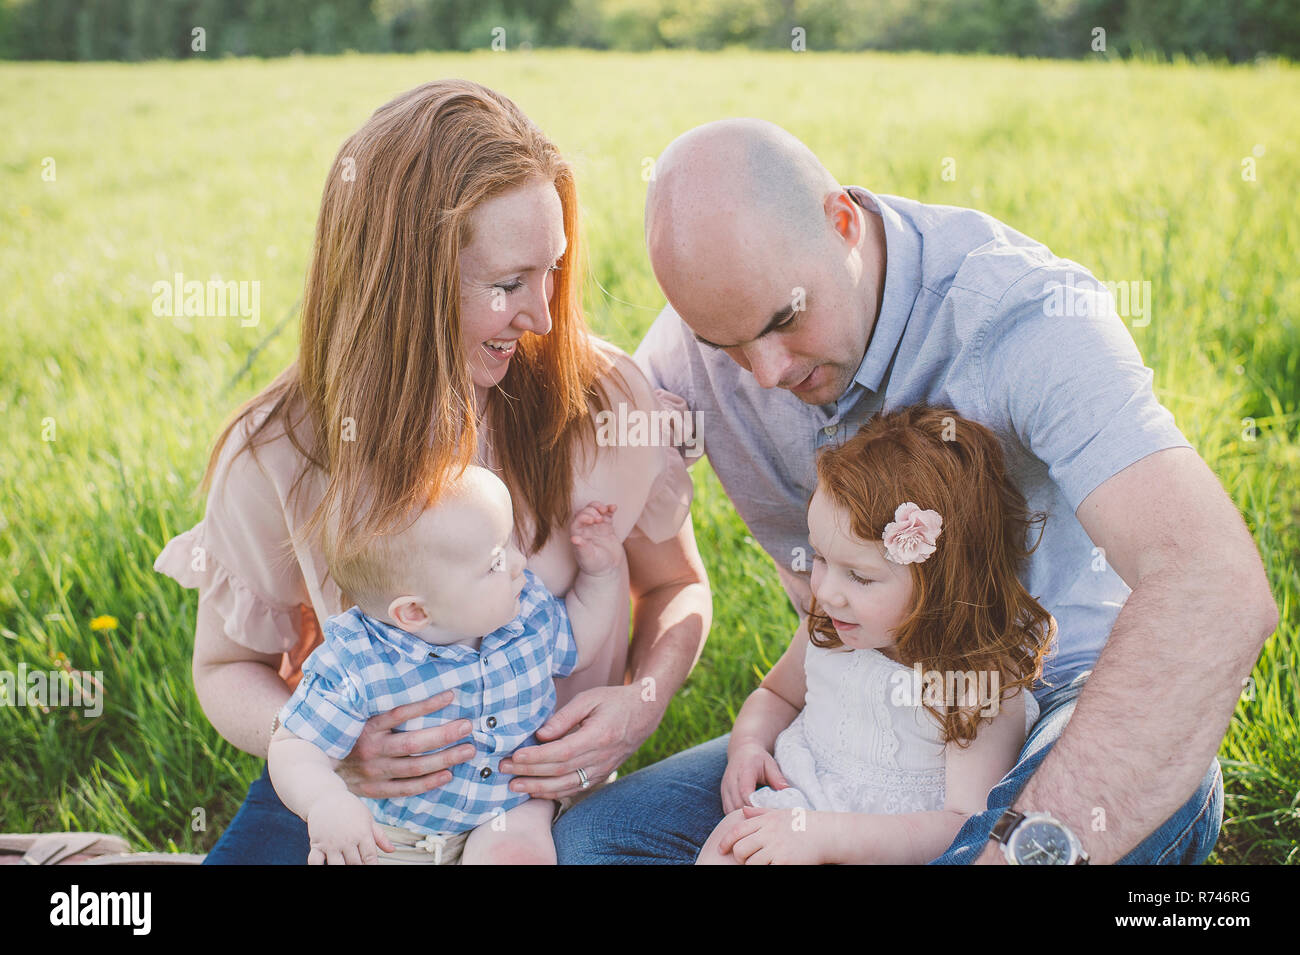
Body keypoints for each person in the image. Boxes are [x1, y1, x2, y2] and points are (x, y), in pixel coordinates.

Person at [555, 117, 1278, 864]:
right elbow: (586, 515)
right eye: (727, 346)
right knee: (596, 841)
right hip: (852, 722)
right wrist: (638, 697)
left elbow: (1213, 585)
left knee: (1060, 825)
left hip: (1062, 703)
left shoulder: (1024, 318)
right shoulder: (699, 344)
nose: (764, 373)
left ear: (842, 223)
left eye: (785, 319)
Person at [154, 79, 711, 864]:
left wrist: (641, 703)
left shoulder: (606, 405)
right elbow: (225, 667)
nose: (544, 316)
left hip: (534, 809)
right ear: (402, 287)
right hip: (359, 801)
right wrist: (329, 758)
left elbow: (675, 586)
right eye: (507, 284)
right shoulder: (283, 447)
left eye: (550, 270)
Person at [697, 406, 1053, 864]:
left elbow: (964, 822)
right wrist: (747, 744)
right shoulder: (830, 629)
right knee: (729, 844)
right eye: (820, 558)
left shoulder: (975, 680)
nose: (826, 592)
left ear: (945, 584)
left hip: (887, 849)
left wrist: (826, 839)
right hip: (797, 811)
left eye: (860, 577)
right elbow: (776, 694)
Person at [269, 466, 625, 865]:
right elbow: (295, 746)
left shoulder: (525, 616)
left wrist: (602, 573)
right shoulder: (357, 660)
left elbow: (580, 640)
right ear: (415, 611)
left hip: (511, 806)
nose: (519, 562)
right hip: (399, 831)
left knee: (516, 854)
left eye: (509, 543)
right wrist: (325, 802)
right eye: (494, 562)